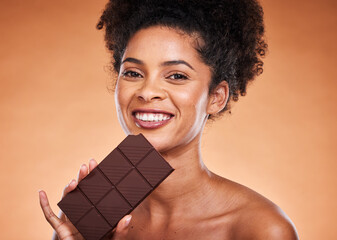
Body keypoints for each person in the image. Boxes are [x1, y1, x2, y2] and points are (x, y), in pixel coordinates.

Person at [39, 0, 299, 239]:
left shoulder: (260, 228)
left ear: (216, 97)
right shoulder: (89, 217)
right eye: (132, 72)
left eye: (176, 76)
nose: (147, 92)